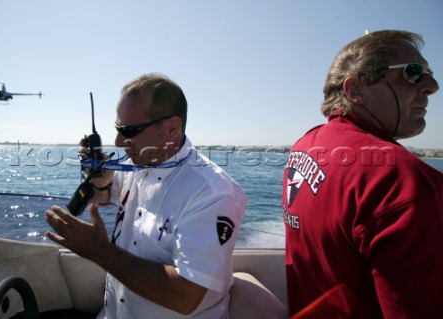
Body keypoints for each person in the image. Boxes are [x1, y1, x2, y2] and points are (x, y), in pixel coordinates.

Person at [45, 73, 247, 318]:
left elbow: (187, 296)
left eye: (129, 130)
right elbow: (103, 196)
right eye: (118, 129)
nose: (118, 142)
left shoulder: (212, 192)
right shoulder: (140, 163)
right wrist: (98, 178)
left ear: (172, 128)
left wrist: (100, 252)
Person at [282, 30, 442, 319]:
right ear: (355, 90)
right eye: (413, 73)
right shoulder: (404, 181)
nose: (432, 86)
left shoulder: (303, 147)